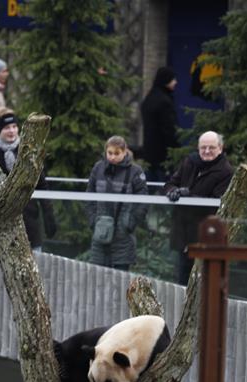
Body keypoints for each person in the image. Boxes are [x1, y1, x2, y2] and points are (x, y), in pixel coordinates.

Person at [163, 131, 233, 284]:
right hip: (183, 231)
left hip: (205, 235)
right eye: (203, 147)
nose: (207, 151)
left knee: (203, 283)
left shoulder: (225, 171)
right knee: (182, 279)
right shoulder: (190, 162)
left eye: (211, 148)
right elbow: (170, 183)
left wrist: (190, 197)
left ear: (220, 148)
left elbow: (217, 204)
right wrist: (173, 192)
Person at [0, 109, 57, 250]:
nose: (12, 131)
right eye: (7, 127)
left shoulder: (28, 150)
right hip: (4, 222)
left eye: (14, 126)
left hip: (30, 220)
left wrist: (49, 215)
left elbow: (42, 184)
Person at [85, 136, 149, 271]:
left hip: (123, 234)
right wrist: (93, 220)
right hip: (100, 231)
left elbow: (143, 201)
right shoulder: (98, 168)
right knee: (97, 278)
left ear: (125, 152)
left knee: (121, 281)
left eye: (117, 153)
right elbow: (89, 195)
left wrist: (130, 223)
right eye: (110, 153)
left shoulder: (135, 171)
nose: (113, 157)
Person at [140, 67, 179, 182]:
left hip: (149, 152)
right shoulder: (164, 101)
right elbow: (169, 130)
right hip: (163, 154)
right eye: (173, 79)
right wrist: (175, 149)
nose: (175, 82)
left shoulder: (149, 98)